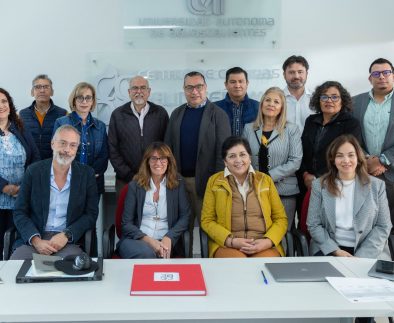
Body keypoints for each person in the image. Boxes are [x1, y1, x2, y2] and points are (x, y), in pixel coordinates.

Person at [165, 71, 231, 255]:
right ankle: (181, 268)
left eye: (199, 86)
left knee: (208, 229)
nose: (194, 91)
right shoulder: (177, 114)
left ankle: (209, 268)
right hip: (178, 182)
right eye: (189, 87)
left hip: (206, 183)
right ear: (184, 90)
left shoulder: (218, 115)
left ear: (206, 88)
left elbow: (223, 153)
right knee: (179, 229)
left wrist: (216, 183)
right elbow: (167, 149)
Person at [10, 125, 98, 260]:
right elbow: (19, 211)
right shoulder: (33, 171)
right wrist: (35, 240)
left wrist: (66, 235)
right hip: (35, 239)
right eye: (63, 143)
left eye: (73, 145)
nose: (67, 150)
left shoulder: (86, 174)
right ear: (52, 143)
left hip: (68, 243)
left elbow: (91, 214)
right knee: (16, 269)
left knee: (70, 271)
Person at [201, 136, 288, 258]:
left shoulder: (265, 180)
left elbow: (281, 219)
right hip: (228, 244)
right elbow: (207, 220)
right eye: (232, 156)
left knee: (263, 266)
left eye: (242, 154)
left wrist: (268, 241)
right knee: (237, 265)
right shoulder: (214, 182)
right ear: (225, 162)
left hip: (263, 243)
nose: (238, 160)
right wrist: (230, 241)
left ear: (250, 158)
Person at [307, 134, 392, 260]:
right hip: (329, 249)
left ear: (358, 158)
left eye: (351, 155)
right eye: (339, 156)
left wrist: (359, 257)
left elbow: (383, 226)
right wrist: (336, 251)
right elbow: (313, 224)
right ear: (332, 159)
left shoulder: (376, 186)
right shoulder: (319, 185)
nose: (346, 160)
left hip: (369, 251)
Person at [117, 142, 191, 259]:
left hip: (165, 241)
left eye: (162, 158)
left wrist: (169, 237)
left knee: (160, 254)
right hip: (136, 240)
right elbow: (126, 224)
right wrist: (150, 241)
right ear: (147, 161)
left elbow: (185, 217)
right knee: (147, 254)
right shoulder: (135, 186)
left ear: (169, 161)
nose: (158, 163)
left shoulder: (178, 184)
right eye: (153, 158)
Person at [243, 87, 302, 229]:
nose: (271, 104)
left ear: (282, 108)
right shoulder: (249, 129)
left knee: (283, 234)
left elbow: (295, 161)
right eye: (268, 100)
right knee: (258, 230)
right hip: (254, 191)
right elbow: (243, 159)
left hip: (284, 192)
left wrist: (269, 177)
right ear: (262, 103)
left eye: (276, 102)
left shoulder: (291, 129)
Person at [109, 76, 169, 199]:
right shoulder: (118, 115)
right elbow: (112, 148)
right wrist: (129, 175)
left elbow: (166, 146)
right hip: (125, 180)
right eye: (135, 88)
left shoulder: (160, 113)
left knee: (152, 216)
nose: (139, 92)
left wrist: (156, 172)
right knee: (126, 215)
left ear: (149, 91)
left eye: (143, 88)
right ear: (129, 92)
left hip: (155, 178)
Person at [352, 58, 394, 234]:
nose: (381, 77)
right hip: (363, 172)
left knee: (390, 228)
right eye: (376, 74)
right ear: (370, 79)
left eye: (386, 72)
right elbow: (351, 135)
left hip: (392, 174)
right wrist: (366, 160)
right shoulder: (355, 102)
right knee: (365, 226)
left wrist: (383, 160)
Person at [300, 81, 362, 192]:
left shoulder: (351, 123)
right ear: (318, 100)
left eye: (334, 97)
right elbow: (301, 150)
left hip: (335, 183)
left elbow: (349, 156)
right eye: (324, 97)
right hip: (306, 182)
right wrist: (305, 174)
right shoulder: (311, 120)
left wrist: (319, 178)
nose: (329, 101)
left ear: (342, 101)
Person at [0, 88, 40, 260]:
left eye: (3, 101)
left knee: (16, 248)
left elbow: (35, 159)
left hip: (22, 200)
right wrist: (4, 187)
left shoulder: (20, 129)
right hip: (1, 199)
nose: (1, 106)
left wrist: (26, 186)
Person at [53, 82, 108, 196]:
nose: (84, 102)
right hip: (67, 181)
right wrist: (75, 175)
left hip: (93, 182)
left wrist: (89, 175)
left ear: (92, 101)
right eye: (80, 98)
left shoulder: (100, 126)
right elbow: (58, 152)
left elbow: (104, 155)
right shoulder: (61, 122)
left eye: (88, 98)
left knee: (90, 213)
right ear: (74, 100)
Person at [19, 74, 67, 160]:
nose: (42, 90)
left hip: (54, 163)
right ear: (32, 92)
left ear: (52, 92)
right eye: (37, 87)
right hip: (30, 164)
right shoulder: (22, 115)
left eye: (46, 87)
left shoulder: (63, 114)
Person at [214, 67, 259, 136]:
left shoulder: (258, 107)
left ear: (247, 84)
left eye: (241, 81)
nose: (237, 85)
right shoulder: (215, 108)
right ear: (226, 85)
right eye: (233, 82)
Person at [282, 55, 313, 133]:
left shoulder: (316, 99)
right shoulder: (277, 100)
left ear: (307, 74)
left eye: (300, 72)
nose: (296, 76)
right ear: (284, 75)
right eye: (291, 72)